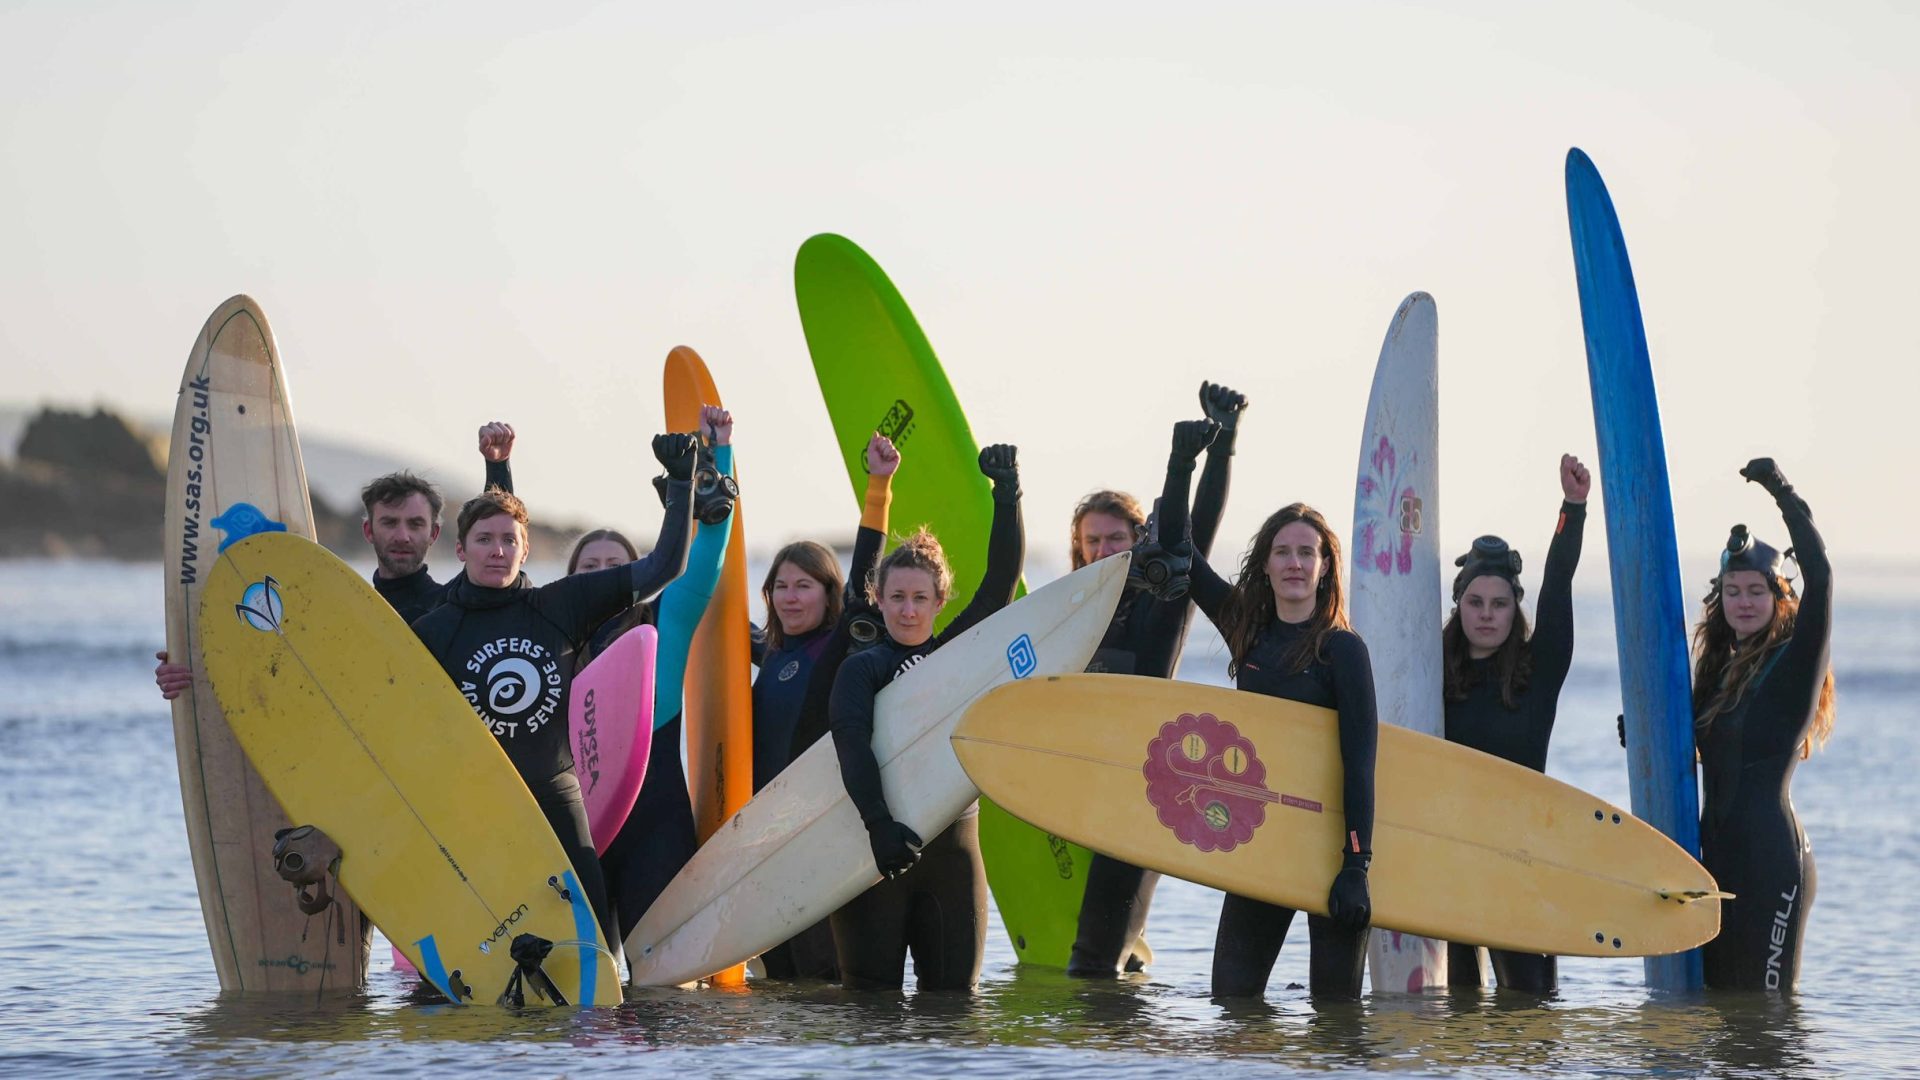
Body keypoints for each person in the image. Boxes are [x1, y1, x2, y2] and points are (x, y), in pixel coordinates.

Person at [410, 431, 697, 946]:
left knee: (593, 957)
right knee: (483, 956)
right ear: (459, 549)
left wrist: (681, 485)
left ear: (526, 549)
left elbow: (664, 567)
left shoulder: (559, 607)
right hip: (475, 809)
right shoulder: (435, 631)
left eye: (509, 541)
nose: (497, 551)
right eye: (484, 540)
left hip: (557, 801)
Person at [1176, 423, 1378, 1000]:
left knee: (1336, 1020)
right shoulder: (1248, 633)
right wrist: (1191, 460)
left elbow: (1360, 762)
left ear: (1324, 567)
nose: (1294, 562)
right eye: (1282, 551)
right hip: (1258, 843)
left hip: (1329, 849)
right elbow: (1183, 553)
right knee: (1232, 1006)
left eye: (1306, 552)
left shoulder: (1342, 650)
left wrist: (1356, 866)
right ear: (1265, 564)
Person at [826, 443, 1024, 991]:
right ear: (880, 600)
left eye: (919, 598)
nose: (907, 610)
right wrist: (878, 826)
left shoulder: (955, 655)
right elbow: (851, 745)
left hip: (953, 854)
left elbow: (1001, 582)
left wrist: (1007, 494)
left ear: (940, 601)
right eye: (896, 598)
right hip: (873, 851)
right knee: (870, 1013)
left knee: (955, 1013)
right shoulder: (861, 669)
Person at [1069, 382, 1245, 978]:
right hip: (1082, 791)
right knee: (1099, 961)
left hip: (1141, 792)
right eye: (1091, 541)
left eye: (1115, 538)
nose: (1102, 550)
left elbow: (1192, 532)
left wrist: (1211, 455)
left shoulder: (1163, 602)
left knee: (1093, 964)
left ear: (1138, 540)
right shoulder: (1068, 618)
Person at [153, 422, 516, 696]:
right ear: (369, 532)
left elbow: (495, 542)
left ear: (434, 534)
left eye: (415, 524)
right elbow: (267, 664)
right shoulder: (334, 612)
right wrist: (191, 672)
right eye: (389, 522)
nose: (403, 535)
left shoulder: (451, 605)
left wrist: (497, 467)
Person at [747, 433, 899, 981]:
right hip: (765, 832)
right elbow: (707, 598)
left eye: (803, 585)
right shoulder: (771, 653)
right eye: (780, 586)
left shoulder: (837, 651)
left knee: (821, 973)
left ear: (827, 593)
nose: (789, 597)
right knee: (781, 975)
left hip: (818, 827)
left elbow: (865, 577)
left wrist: (878, 486)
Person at [1441, 453, 1589, 995]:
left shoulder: (1537, 672)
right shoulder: (1430, 674)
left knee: (1530, 1009)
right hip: (1450, 854)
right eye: (1475, 602)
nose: (1486, 614)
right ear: (1458, 606)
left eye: (1499, 604)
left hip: (1523, 859)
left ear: (1514, 609)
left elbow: (1560, 582)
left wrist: (1572, 509)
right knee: (1456, 1010)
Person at [1691, 458, 1833, 993]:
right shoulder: (1720, 675)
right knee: (1719, 1018)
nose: (1744, 602)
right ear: (1719, 599)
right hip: (1717, 859)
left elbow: (1820, 575)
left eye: (1756, 591)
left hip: (1772, 866)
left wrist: (1781, 489)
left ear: (1778, 599)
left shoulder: (1794, 663)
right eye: (1733, 591)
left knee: (1766, 1024)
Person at [600, 407, 739, 945]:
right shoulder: (552, 638)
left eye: (618, 565)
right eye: (591, 568)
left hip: (656, 828)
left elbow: (708, 553)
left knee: (664, 996)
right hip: (576, 833)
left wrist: (717, 453)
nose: (605, 576)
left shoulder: (664, 624)